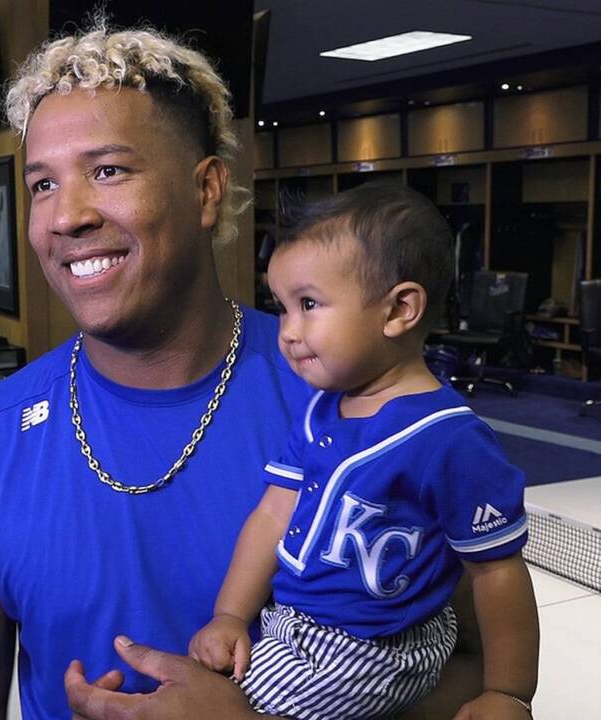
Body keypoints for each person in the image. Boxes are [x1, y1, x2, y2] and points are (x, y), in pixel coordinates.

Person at [0, 21, 489, 720]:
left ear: (207, 191)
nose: (65, 216)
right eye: (43, 183)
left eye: (108, 170)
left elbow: (473, 665)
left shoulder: (366, 404)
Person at [188, 184, 539, 720]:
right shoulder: (320, 410)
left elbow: (498, 571)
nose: (287, 331)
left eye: (308, 304)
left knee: (223, 705)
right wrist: (231, 614)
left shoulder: (449, 438)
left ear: (400, 309)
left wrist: (509, 691)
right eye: (280, 308)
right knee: (210, 677)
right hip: (296, 620)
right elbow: (271, 515)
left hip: (372, 648)